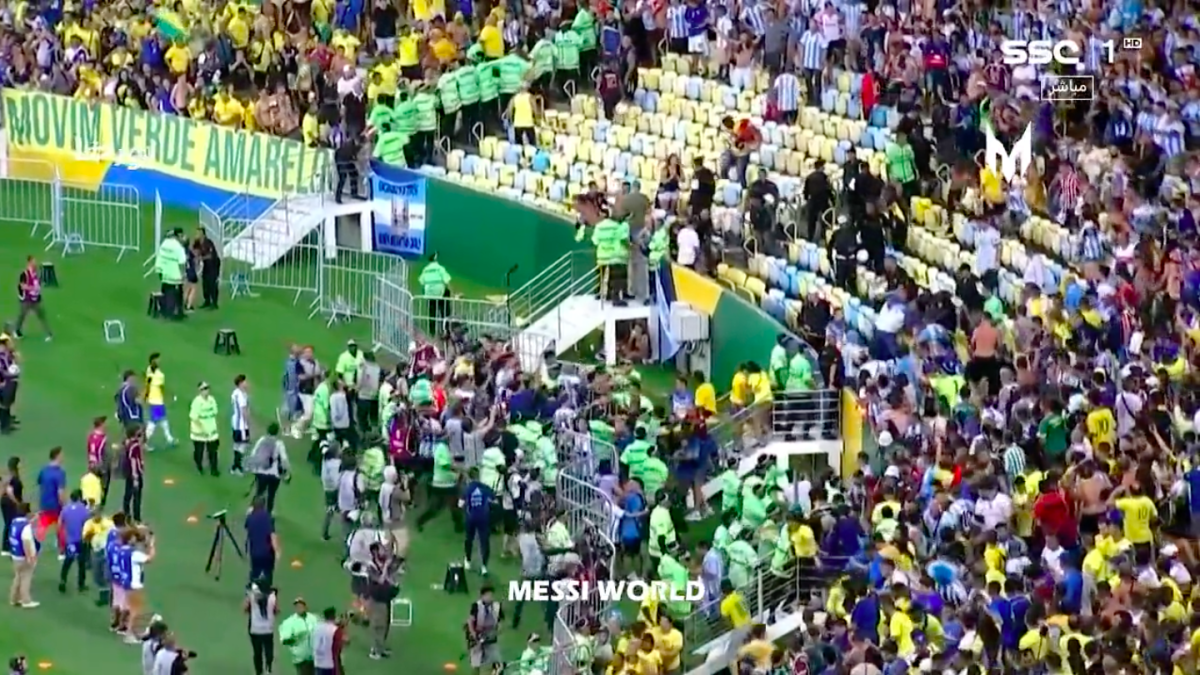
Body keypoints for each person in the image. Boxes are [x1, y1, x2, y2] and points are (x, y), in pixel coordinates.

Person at [122, 526, 155, 644]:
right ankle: (129, 634)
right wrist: (151, 545)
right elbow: (150, 559)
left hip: (126, 583)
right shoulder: (133, 554)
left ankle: (131, 631)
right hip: (134, 584)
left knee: (133, 609)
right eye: (133, 537)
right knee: (135, 611)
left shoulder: (123, 550)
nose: (135, 539)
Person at [248, 423, 291, 514]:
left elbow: (253, 454)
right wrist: (287, 472)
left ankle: (252, 509)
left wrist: (254, 468)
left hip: (261, 472)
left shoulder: (262, 440)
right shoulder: (279, 443)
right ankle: (269, 512)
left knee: (259, 492)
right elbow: (284, 459)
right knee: (271, 494)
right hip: (274, 474)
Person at [35, 447, 67, 559]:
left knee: (42, 527)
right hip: (56, 506)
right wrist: (64, 505)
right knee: (61, 527)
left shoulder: (43, 470)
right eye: (62, 455)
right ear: (57, 456)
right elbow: (60, 492)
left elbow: (39, 483)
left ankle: (35, 547)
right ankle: (61, 552)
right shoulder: (60, 473)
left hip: (44, 504)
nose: (63, 457)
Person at [461, 467, 495, 575]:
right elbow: (493, 499)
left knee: (469, 539)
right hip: (483, 517)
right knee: (484, 541)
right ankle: (484, 566)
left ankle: (467, 560)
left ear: (469, 476)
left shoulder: (467, 488)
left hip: (470, 517)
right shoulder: (485, 487)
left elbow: (460, 504)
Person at [58, 489, 90, 594]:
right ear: (80, 498)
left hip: (70, 540)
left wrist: (61, 540)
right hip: (81, 540)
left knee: (68, 561)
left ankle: (63, 580)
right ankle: (81, 584)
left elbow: (59, 525)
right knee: (81, 563)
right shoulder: (84, 510)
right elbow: (87, 525)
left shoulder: (65, 509)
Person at [7, 501, 38, 608]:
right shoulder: (26, 527)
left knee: (18, 577)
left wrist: (34, 518)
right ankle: (26, 600)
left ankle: (13, 598)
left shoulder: (14, 522)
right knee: (26, 578)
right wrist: (30, 557)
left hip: (15, 555)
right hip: (23, 556)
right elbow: (26, 542)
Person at [82, 507, 115, 607]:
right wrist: (90, 534)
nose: (95, 516)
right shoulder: (89, 524)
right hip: (95, 551)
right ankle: (104, 596)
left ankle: (111, 597)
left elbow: (115, 535)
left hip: (106, 551)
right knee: (97, 575)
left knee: (107, 574)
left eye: (97, 514)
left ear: (101, 513)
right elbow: (84, 539)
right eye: (94, 514)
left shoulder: (109, 523)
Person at [13, 256, 51, 340]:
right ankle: (17, 330)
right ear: (29, 262)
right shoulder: (24, 274)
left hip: (36, 299)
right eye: (33, 261)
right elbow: (22, 286)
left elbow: (37, 283)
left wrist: (39, 287)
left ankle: (49, 334)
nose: (35, 263)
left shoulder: (35, 273)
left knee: (42, 315)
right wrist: (33, 288)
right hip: (26, 300)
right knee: (22, 316)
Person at [245, 581, 279, 675]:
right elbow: (277, 610)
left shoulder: (252, 595)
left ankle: (259, 672)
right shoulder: (272, 597)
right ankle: (268, 668)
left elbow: (245, 608)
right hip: (268, 629)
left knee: (257, 653)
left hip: (255, 629)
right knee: (269, 651)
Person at [468, 584, 503, 674]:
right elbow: (470, 622)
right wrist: (474, 636)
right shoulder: (476, 606)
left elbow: (500, 622)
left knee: (496, 662)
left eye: (491, 595)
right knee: (476, 663)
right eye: (487, 595)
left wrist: (497, 632)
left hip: (491, 636)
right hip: (477, 636)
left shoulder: (497, 606)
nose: (490, 597)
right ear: (482, 596)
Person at [144, 353, 177, 450]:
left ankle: (169, 438)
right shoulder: (159, 375)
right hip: (157, 402)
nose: (160, 361)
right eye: (158, 359)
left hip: (152, 400)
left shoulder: (149, 369)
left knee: (163, 419)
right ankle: (144, 441)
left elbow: (148, 384)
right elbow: (162, 388)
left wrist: (146, 395)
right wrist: (168, 396)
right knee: (153, 422)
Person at [279, 598, 319, 675]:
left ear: (305, 607)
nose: (299, 608)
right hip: (301, 659)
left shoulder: (314, 618)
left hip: (316, 657)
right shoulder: (289, 622)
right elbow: (284, 640)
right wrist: (296, 638)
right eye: (297, 606)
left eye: (301, 606)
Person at [246, 496, 281, 586]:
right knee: (268, 576)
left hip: (255, 554)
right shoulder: (268, 518)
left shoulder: (250, 518)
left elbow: (247, 526)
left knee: (255, 575)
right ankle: (266, 594)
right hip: (268, 554)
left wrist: (250, 513)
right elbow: (272, 535)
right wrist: (277, 551)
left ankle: (252, 592)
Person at [154, 229, 188, 320]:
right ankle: (173, 313)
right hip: (175, 276)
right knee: (174, 295)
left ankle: (164, 311)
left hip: (165, 273)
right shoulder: (178, 247)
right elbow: (182, 262)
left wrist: (159, 270)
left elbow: (160, 256)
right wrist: (183, 274)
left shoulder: (164, 244)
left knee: (165, 292)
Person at [189, 382, 220, 476]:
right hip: (199, 433)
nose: (207, 390)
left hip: (211, 432)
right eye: (204, 389)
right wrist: (202, 429)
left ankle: (214, 469)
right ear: (200, 391)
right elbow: (194, 417)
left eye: (207, 388)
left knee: (213, 452)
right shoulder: (197, 402)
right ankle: (199, 465)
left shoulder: (212, 400)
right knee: (199, 451)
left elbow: (215, 412)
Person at [418, 254, 453, 335]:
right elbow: (447, 281)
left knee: (432, 313)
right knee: (445, 312)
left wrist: (425, 293)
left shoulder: (425, 270)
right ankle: (445, 329)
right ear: (436, 260)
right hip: (441, 294)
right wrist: (452, 293)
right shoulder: (440, 269)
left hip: (430, 295)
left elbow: (422, 282)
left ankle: (432, 331)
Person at [121, 426, 146, 522]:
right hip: (134, 473)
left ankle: (126, 514)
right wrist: (135, 475)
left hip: (128, 472)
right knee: (136, 496)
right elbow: (133, 460)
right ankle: (136, 517)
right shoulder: (134, 445)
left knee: (127, 494)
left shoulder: (128, 443)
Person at [193, 228, 221, 309]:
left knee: (212, 282)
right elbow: (195, 251)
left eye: (198, 233)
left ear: (203, 234)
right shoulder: (197, 242)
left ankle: (214, 303)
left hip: (213, 264)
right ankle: (207, 300)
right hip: (206, 265)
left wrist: (200, 259)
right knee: (205, 282)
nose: (197, 235)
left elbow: (210, 255)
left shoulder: (208, 243)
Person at [311, 607, 345, 675]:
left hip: (318, 662)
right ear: (334, 616)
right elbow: (341, 644)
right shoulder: (335, 630)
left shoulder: (317, 627)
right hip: (331, 663)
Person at [1, 457, 24, 558]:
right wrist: (17, 502)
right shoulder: (13, 478)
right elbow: (9, 491)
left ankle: (7, 546)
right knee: (10, 523)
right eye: (20, 463)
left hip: (8, 502)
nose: (21, 465)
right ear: (16, 465)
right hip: (9, 503)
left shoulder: (13, 476)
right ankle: (6, 548)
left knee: (10, 523)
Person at [230, 374, 251, 476]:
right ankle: (237, 467)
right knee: (242, 446)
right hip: (241, 425)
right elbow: (243, 411)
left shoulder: (236, 393)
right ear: (241, 383)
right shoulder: (242, 396)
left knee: (237, 445)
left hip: (235, 424)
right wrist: (248, 422)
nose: (247, 383)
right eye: (245, 381)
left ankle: (235, 466)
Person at [115, 371, 143, 436]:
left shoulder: (120, 389)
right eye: (133, 378)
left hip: (123, 413)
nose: (135, 380)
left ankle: (123, 444)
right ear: (129, 378)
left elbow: (116, 399)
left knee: (127, 431)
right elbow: (137, 401)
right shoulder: (131, 388)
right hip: (133, 414)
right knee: (137, 432)